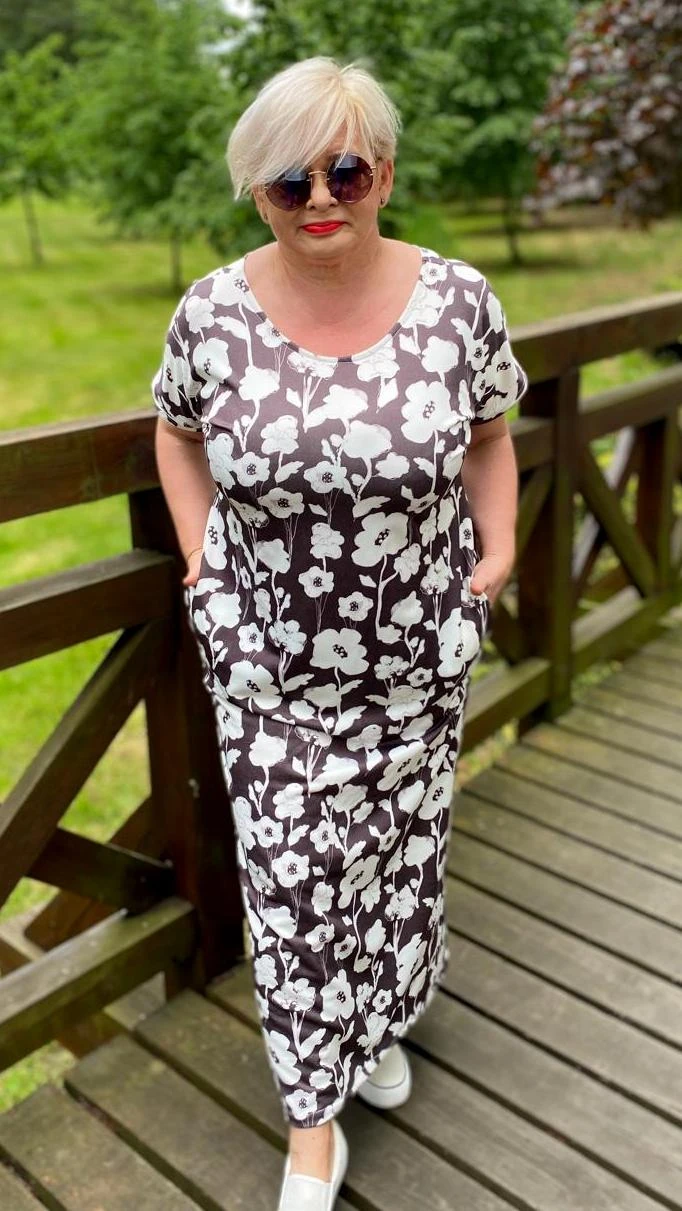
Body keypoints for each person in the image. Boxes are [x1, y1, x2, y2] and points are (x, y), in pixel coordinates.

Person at [152, 55, 527, 1211]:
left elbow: (489, 434)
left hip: (417, 654)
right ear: (256, 193)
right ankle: (311, 1123)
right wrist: (200, 558)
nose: (320, 197)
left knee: (400, 858)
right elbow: (175, 432)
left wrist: (499, 547)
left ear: (385, 174)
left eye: (346, 171)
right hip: (269, 662)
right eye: (288, 180)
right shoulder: (210, 313)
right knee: (293, 880)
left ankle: (375, 1026)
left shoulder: (458, 299)